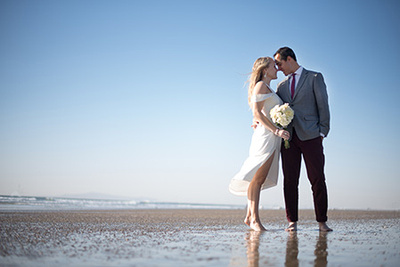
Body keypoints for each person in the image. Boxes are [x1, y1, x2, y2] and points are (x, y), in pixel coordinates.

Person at [273, 47, 332, 232]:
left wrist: (322, 132)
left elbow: (323, 104)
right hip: (289, 139)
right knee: (290, 180)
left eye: (279, 63)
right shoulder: (281, 86)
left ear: (290, 59)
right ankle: (292, 221)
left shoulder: (314, 77)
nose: (278, 68)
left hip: (311, 136)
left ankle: (322, 221)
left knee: (317, 178)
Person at [229, 57, 290, 231]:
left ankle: (249, 216)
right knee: (257, 178)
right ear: (264, 70)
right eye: (273, 66)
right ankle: (255, 220)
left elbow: (259, 113)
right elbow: (257, 112)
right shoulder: (261, 86)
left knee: (259, 179)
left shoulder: (269, 88)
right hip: (266, 136)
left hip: (271, 136)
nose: (277, 69)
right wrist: (276, 130)